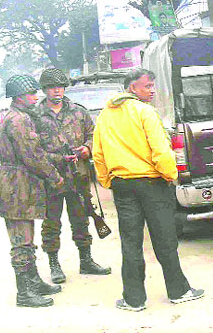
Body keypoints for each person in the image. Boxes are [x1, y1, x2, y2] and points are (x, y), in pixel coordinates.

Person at [92, 69, 203, 311]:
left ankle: (133, 299)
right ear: (132, 88)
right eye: (147, 86)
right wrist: (171, 175)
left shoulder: (104, 116)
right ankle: (179, 290)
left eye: (152, 86)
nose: (152, 90)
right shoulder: (145, 112)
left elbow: (97, 154)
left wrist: (106, 180)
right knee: (165, 238)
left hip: (122, 184)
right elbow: (161, 151)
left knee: (130, 242)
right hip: (153, 184)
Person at [0, 74, 64, 307]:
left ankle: (34, 282)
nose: (36, 97)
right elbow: (33, 156)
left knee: (27, 239)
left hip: (21, 185)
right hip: (16, 187)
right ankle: (25, 293)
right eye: (31, 93)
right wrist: (55, 176)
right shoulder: (19, 120)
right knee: (21, 243)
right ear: (19, 97)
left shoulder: (20, 116)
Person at [37, 68, 111, 284]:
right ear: (45, 90)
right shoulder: (36, 115)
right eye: (52, 87)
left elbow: (92, 134)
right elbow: (34, 150)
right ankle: (54, 264)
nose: (57, 91)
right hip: (51, 178)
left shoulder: (79, 111)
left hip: (78, 175)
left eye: (60, 86)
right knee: (51, 223)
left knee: (81, 219)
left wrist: (87, 148)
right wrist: (57, 158)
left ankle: (86, 260)